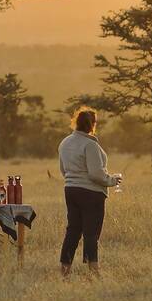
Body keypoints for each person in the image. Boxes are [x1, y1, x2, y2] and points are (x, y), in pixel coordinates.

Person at [57, 107, 120, 274]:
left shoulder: (65, 142)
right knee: (91, 233)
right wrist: (112, 180)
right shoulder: (90, 145)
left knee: (73, 231)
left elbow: (63, 170)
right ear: (93, 124)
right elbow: (95, 174)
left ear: (75, 122)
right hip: (91, 193)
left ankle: (65, 269)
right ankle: (93, 271)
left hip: (70, 190)